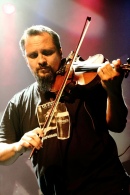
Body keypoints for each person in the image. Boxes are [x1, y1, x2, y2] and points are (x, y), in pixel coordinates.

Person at [0, 25, 129, 195]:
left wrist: (113, 90)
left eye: (47, 52)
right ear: (26, 59)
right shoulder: (19, 103)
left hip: (107, 188)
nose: (41, 60)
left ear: (60, 52)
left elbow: (117, 124)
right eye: (33, 55)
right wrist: (18, 146)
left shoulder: (86, 83)